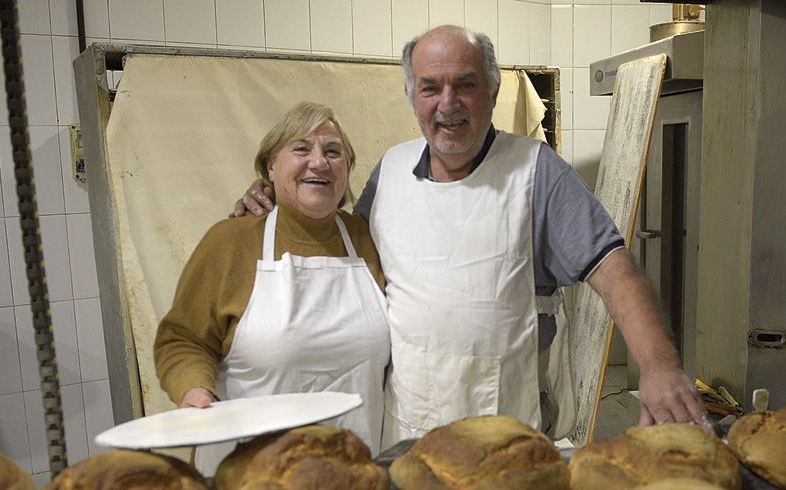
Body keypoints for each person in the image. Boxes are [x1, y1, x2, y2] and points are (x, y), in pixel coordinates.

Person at [234, 26, 709, 446]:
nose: (448, 104)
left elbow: (614, 269)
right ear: (412, 96)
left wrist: (658, 365)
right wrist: (274, 200)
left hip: (503, 433)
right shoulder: (391, 172)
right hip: (404, 432)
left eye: (465, 84)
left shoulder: (534, 171)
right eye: (430, 88)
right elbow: (340, 254)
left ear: (492, 90)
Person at [156, 102, 388, 451]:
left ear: (347, 169)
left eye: (333, 151)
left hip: (352, 468)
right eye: (301, 149)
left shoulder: (368, 238)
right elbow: (183, 339)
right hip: (250, 469)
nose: (319, 162)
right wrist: (194, 390)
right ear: (271, 166)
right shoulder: (230, 241)